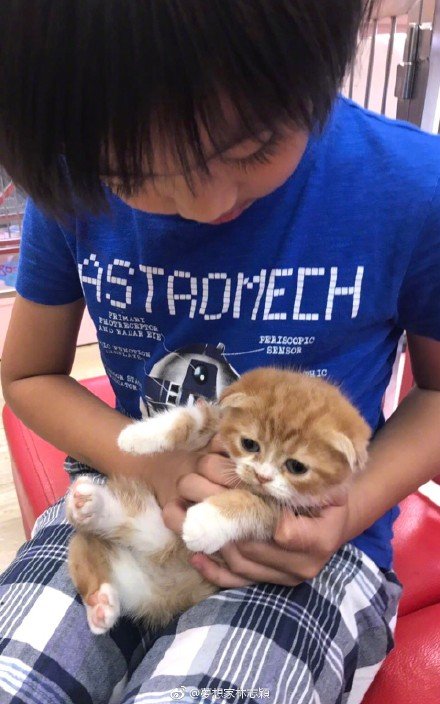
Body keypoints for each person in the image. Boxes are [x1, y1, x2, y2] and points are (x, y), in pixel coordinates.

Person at [0, 1, 439, 703]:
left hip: (306, 546)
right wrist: (158, 466)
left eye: (251, 148)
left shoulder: (411, 186)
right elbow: (27, 374)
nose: (206, 204)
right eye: (131, 173)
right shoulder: (73, 176)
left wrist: (347, 510)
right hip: (131, 494)